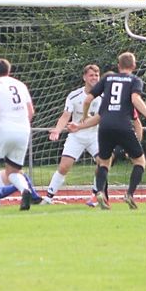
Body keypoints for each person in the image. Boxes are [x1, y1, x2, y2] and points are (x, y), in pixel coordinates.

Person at [76, 53, 146, 210]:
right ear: (134, 66)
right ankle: (129, 194)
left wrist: (84, 117)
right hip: (123, 125)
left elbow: (88, 99)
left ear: (118, 65)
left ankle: (99, 192)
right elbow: (135, 99)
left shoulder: (108, 79)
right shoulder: (135, 80)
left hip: (105, 126)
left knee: (104, 162)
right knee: (140, 161)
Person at [43, 64, 103, 205]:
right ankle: (48, 197)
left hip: (95, 136)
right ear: (84, 77)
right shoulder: (74, 95)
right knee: (64, 166)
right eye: (91, 75)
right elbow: (65, 116)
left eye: (96, 75)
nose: (94, 78)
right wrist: (57, 130)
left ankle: (95, 195)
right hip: (76, 136)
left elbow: (101, 118)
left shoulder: (104, 96)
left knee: (103, 162)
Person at [0, 58, 35, 211]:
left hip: (4, 128)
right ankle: (25, 190)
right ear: (9, 71)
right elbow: (31, 111)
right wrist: (21, 125)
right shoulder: (20, 85)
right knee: (13, 171)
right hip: (24, 129)